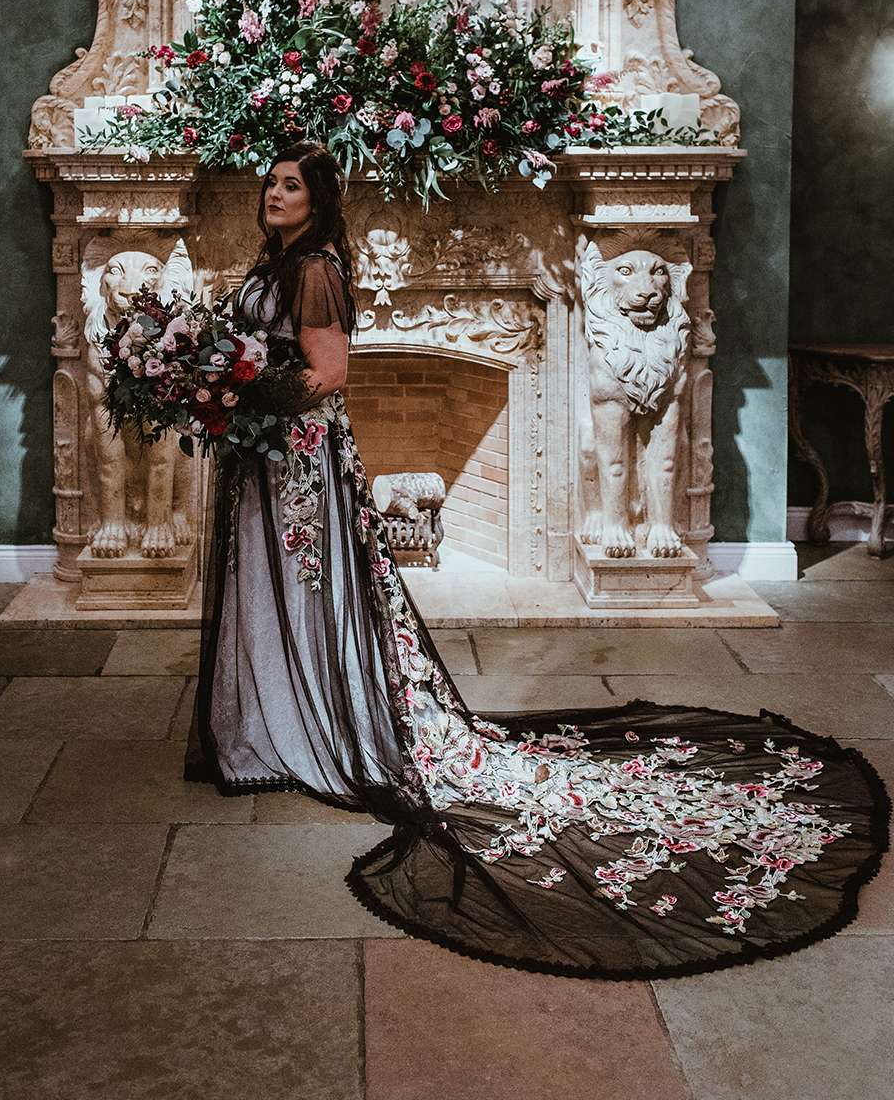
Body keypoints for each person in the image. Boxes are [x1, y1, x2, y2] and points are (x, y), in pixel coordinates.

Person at [184, 140, 889, 979]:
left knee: (307, 592)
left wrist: (233, 393)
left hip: (296, 463)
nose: (273, 193)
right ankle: (273, 722)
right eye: (270, 181)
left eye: (290, 185)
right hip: (270, 460)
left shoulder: (316, 270)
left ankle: (305, 725)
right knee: (281, 595)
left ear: (320, 198)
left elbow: (330, 374)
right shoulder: (285, 262)